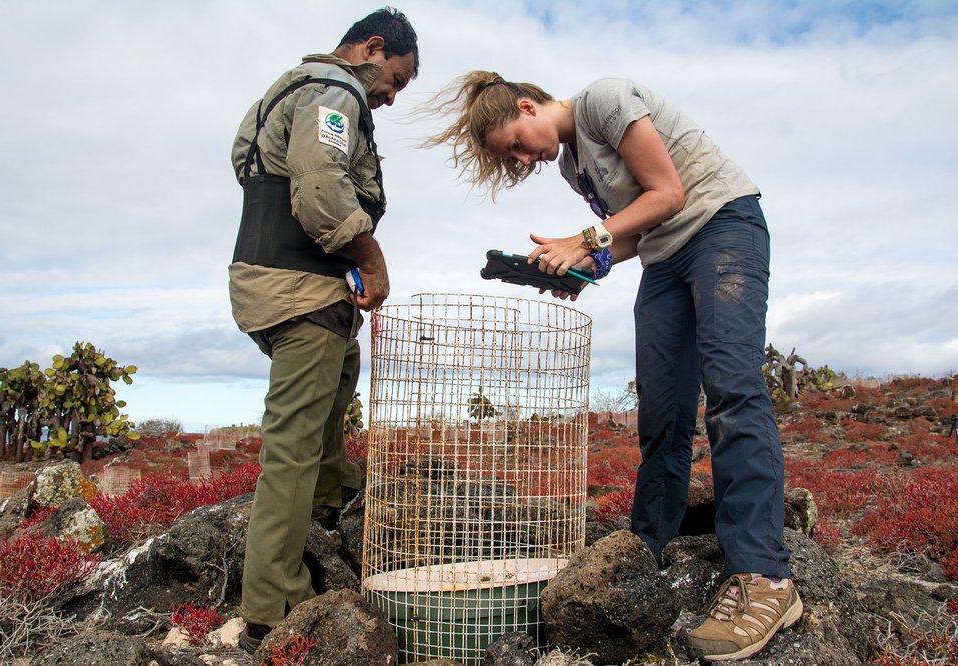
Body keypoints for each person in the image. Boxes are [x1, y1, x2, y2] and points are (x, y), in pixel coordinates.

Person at [422, 71, 801, 661]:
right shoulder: (576, 166)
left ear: (529, 105)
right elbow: (634, 227)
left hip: (722, 226)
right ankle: (646, 555)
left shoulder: (604, 100)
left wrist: (585, 238)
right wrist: (583, 265)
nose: (525, 159)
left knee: (732, 393)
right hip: (665, 258)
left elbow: (668, 194)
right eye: (514, 158)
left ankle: (764, 578)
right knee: (663, 414)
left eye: (518, 142)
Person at [228, 7, 418, 654]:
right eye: (395, 78)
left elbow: (247, 164)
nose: (391, 96)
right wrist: (369, 257)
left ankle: (337, 513)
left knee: (336, 393)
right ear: (371, 48)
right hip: (297, 290)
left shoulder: (280, 91)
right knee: (292, 445)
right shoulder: (333, 95)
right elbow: (318, 181)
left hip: (280, 286)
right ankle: (272, 605)